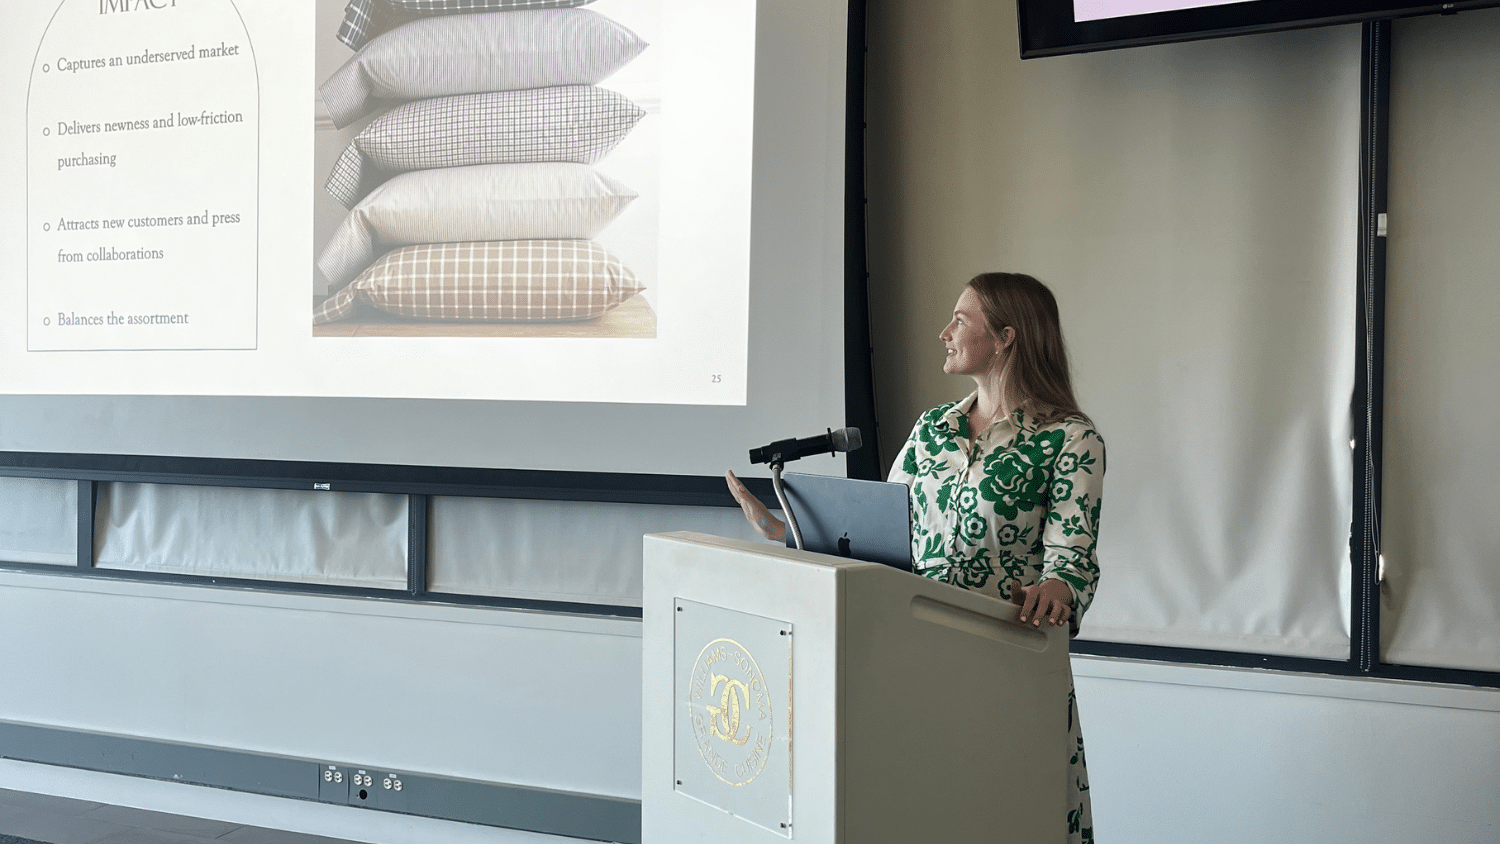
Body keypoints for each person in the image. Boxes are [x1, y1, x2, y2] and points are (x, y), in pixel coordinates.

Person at [726, 271, 1102, 844]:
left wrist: (1060, 589)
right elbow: (882, 537)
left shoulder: (1070, 439)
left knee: (1010, 816)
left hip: (1007, 660)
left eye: (961, 319)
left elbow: (1072, 555)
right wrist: (786, 531)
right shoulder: (933, 429)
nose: (943, 331)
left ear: (1006, 336)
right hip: (916, 660)